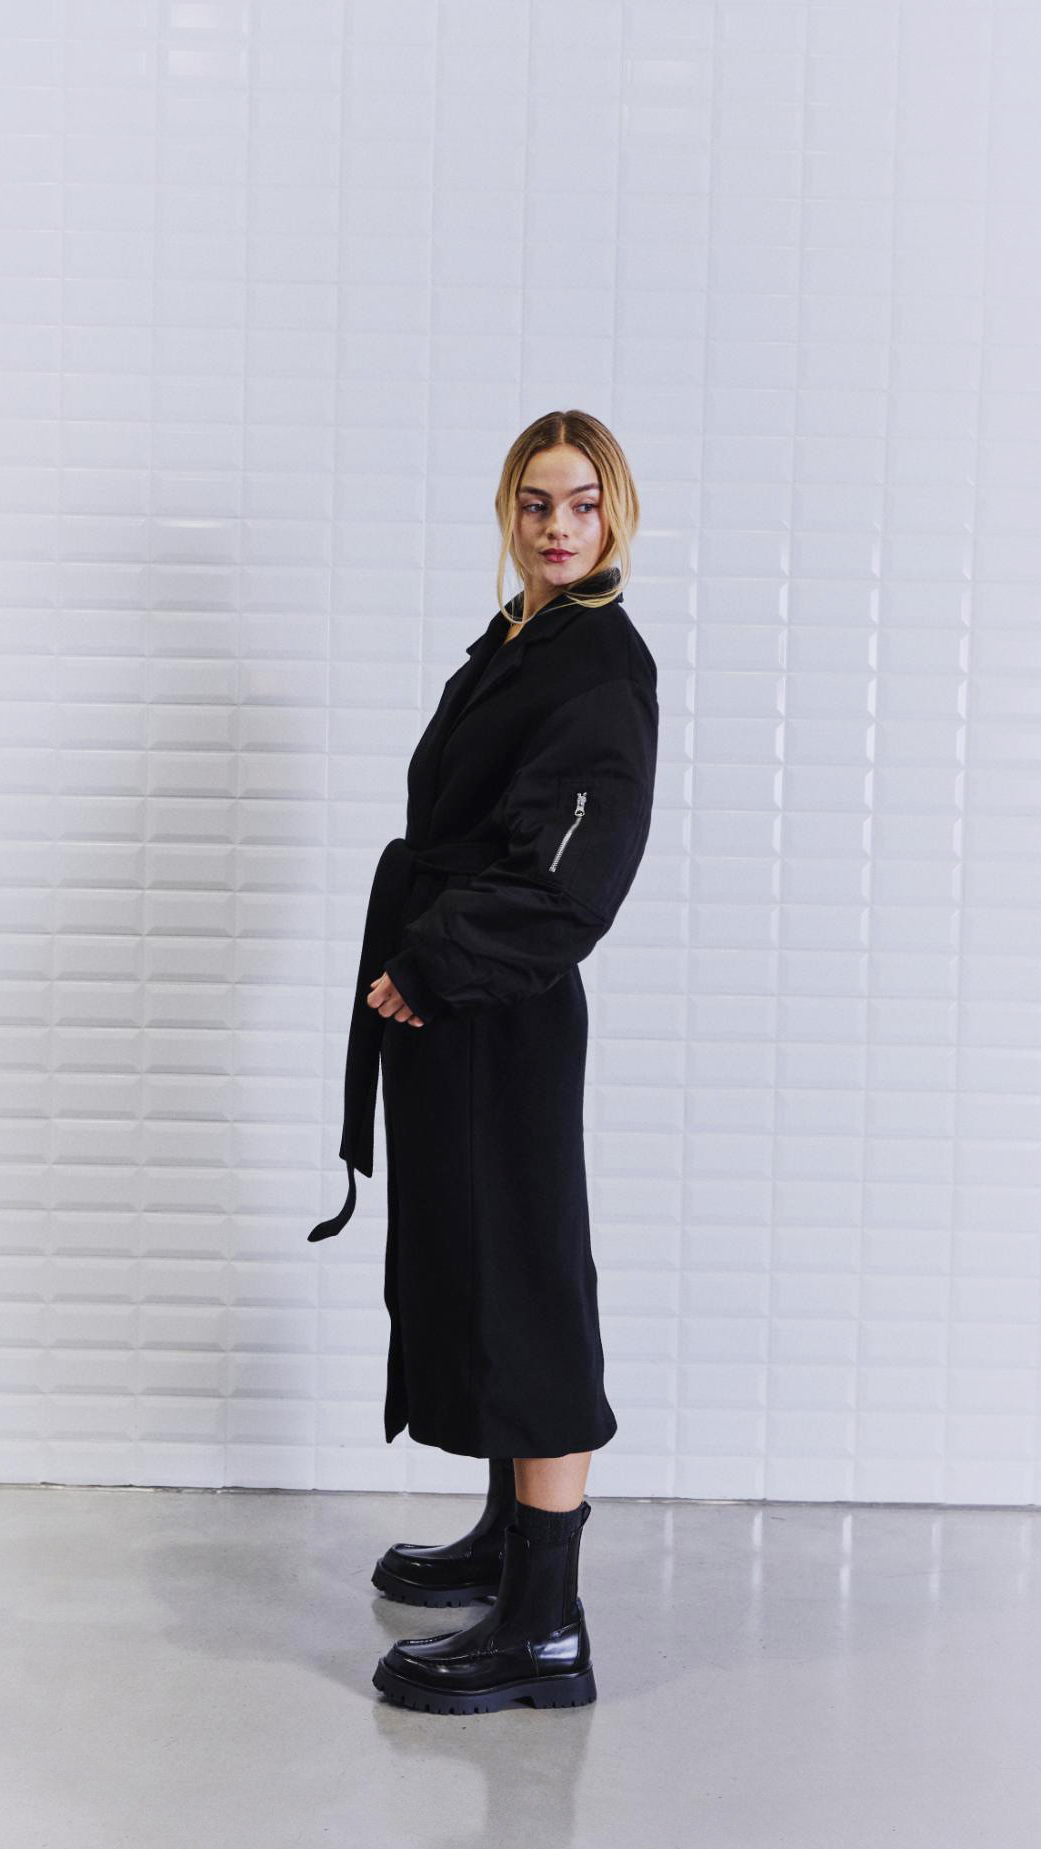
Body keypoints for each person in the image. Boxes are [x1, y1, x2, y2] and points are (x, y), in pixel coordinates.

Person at [308, 410, 659, 1714]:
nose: (557, 527)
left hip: (497, 1009)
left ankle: (546, 1625)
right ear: (508, 513)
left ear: (617, 513)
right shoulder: (519, 637)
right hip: (458, 1011)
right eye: (534, 503)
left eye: (582, 502)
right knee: (475, 1268)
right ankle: (510, 1546)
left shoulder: (599, 663)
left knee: (529, 1287)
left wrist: (438, 962)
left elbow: (573, 878)